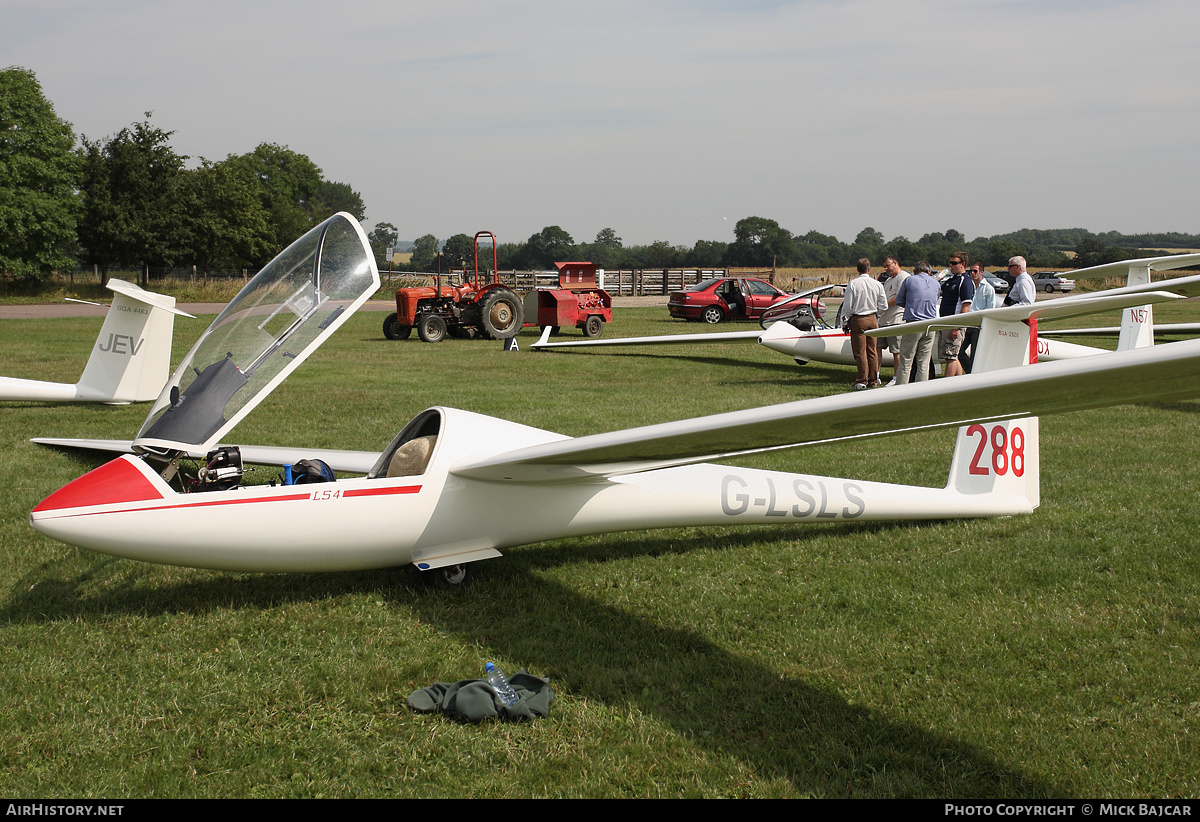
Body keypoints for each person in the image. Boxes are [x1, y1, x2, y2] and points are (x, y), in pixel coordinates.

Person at [836, 258, 888, 389]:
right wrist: (877, 313)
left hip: (859, 319)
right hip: (873, 318)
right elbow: (884, 305)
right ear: (869, 269)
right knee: (872, 351)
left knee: (860, 352)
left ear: (858, 269)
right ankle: (874, 380)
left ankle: (861, 379)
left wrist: (845, 320)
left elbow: (847, 306)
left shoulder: (853, 284)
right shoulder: (877, 284)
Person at [892, 261, 940, 385]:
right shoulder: (935, 283)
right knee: (924, 361)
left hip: (914, 323)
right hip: (931, 325)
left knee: (906, 361)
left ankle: (901, 389)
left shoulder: (909, 280)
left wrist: (910, 305)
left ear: (914, 271)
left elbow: (899, 300)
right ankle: (921, 390)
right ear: (929, 272)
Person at [937, 252, 975, 378]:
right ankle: (960, 382)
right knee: (953, 356)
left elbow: (966, 306)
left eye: (954, 263)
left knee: (950, 357)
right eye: (950, 263)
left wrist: (957, 327)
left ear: (963, 264)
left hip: (954, 323)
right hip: (945, 322)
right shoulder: (951, 281)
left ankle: (946, 384)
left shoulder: (965, 282)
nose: (951, 265)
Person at [878, 256, 910, 384]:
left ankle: (896, 377)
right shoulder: (889, 280)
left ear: (895, 263)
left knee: (896, 351)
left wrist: (883, 305)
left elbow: (898, 298)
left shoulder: (904, 277)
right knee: (877, 347)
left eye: (887, 266)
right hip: (884, 319)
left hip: (896, 319)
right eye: (884, 266)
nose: (886, 269)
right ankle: (876, 375)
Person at [958, 263, 996, 373]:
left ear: (981, 272)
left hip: (978, 326)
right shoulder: (968, 286)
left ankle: (974, 375)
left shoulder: (988, 289)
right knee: (959, 352)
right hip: (967, 324)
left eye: (975, 271)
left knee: (975, 354)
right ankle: (972, 372)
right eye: (971, 271)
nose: (972, 273)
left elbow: (990, 309)